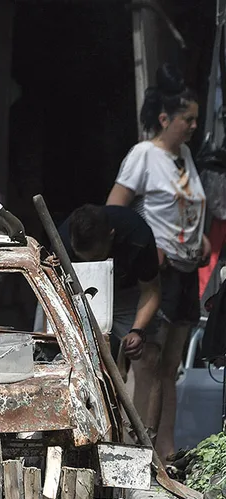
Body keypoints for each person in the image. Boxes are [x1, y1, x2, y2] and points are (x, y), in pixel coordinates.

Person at [106, 63, 211, 462]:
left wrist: (197, 236)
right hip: (159, 273)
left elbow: (185, 207)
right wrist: (145, 247)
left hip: (187, 272)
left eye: (196, 119)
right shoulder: (144, 155)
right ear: (165, 118)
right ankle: (135, 447)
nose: (193, 127)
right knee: (146, 359)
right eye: (188, 119)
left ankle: (163, 449)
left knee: (171, 366)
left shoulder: (184, 155)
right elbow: (115, 212)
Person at [59, 204, 161, 361]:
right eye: (82, 258)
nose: (90, 263)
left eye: (95, 258)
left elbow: (151, 290)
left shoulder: (137, 234)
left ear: (111, 236)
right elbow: (52, 294)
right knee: (52, 350)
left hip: (126, 292)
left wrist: (137, 330)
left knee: (147, 354)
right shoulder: (61, 243)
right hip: (71, 292)